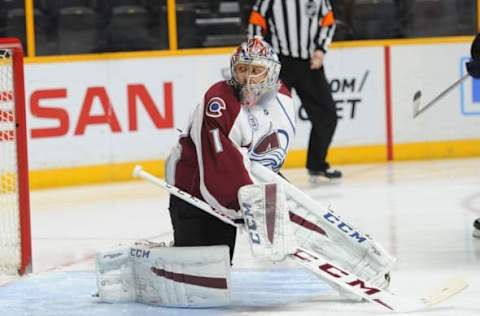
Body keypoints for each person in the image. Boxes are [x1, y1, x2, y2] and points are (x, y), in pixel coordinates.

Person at [165, 37, 296, 262]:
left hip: (232, 193)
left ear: (272, 73)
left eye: (256, 70)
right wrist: (247, 210)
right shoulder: (220, 101)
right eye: (243, 69)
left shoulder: (282, 101)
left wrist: (284, 202)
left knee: (222, 264)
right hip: (192, 194)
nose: (248, 77)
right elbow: (220, 171)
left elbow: (264, 161)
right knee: (199, 271)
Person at [248, 0, 342, 181]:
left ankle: (317, 164)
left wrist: (321, 49)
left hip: (310, 63)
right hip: (279, 63)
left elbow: (328, 21)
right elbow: (256, 22)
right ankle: (264, 167)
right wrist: (262, 56)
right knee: (266, 116)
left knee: (327, 114)